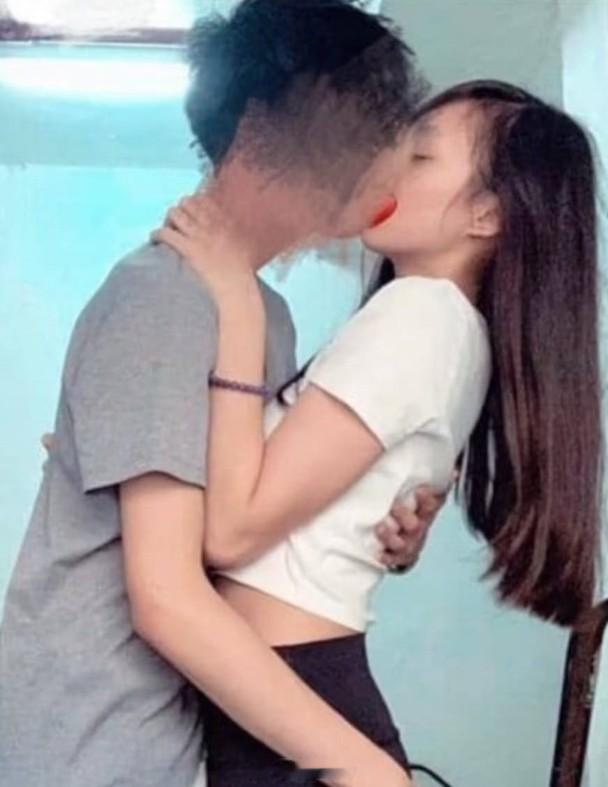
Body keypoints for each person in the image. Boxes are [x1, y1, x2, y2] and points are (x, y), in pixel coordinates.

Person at [0, 3, 442, 787]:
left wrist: (376, 520)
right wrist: (359, 764)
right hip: (91, 740)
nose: (395, 159)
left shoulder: (260, 315)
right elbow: (166, 596)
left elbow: (241, 519)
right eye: (384, 125)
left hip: (175, 728)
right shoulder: (163, 297)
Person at [155, 79, 604, 786]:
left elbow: (232, 531)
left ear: (487, 214)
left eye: (419, 157)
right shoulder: (454, 331)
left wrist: (236, 297)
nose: (387, 167)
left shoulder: (421, 316)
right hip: (290, 690)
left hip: (295, 698)